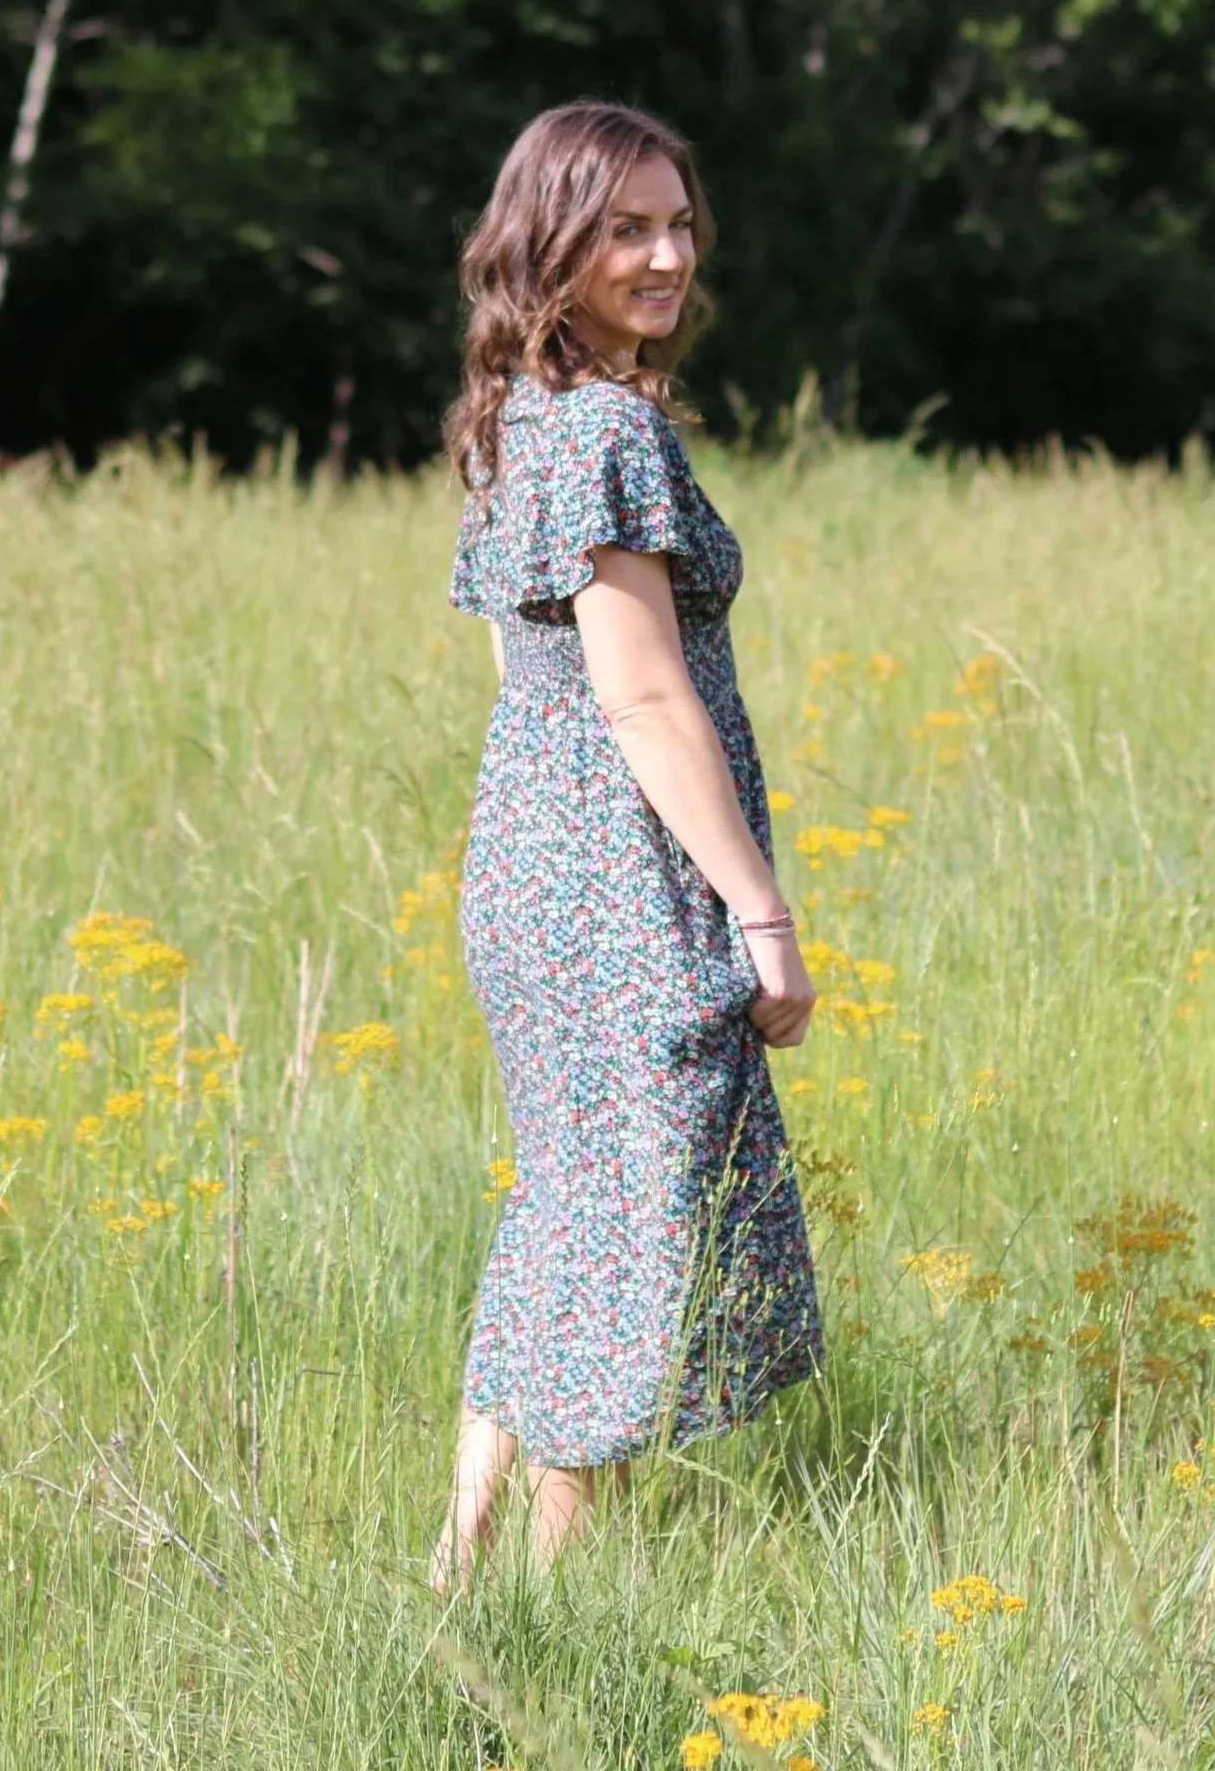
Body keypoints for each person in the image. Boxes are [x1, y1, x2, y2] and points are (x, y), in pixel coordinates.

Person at [430, 100, 824, 1592]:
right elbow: (642, 688)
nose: (666, 255)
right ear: (554, 245)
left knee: (566, 1204)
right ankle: (547, 1604)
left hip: (529, 858)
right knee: (628, 1228)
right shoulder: (597, 428)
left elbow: (514, 674)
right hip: (616, 881)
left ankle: (456, 1571)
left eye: (677, 225)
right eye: (624, 231)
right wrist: (758, 913)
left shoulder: (517, 417)